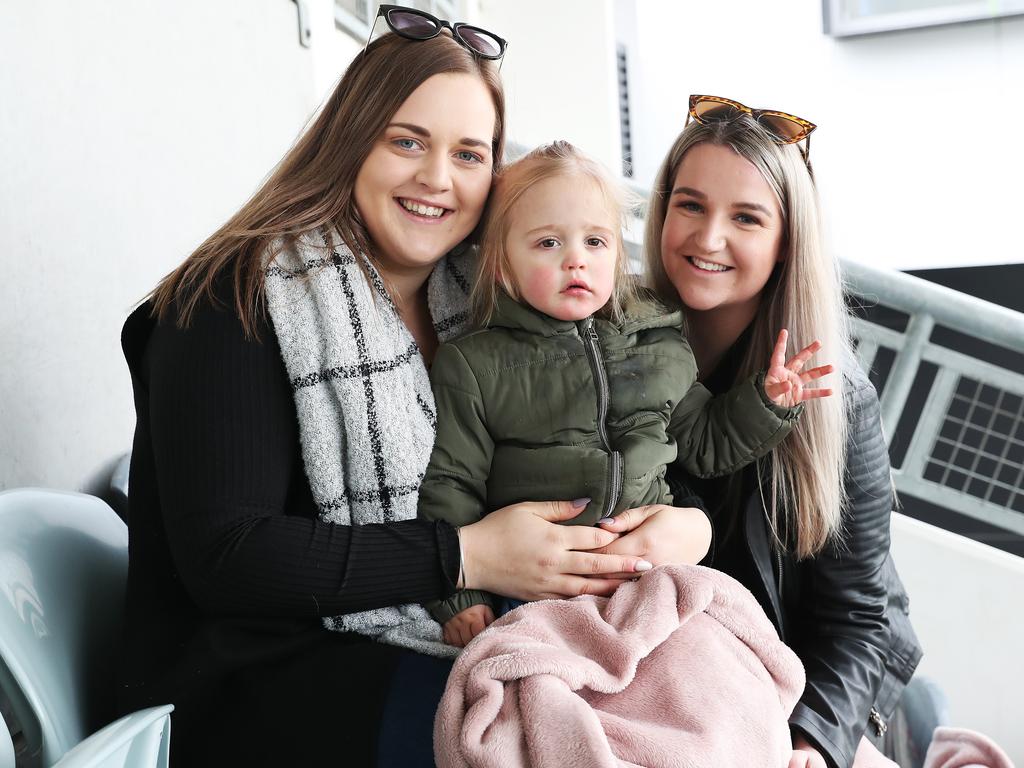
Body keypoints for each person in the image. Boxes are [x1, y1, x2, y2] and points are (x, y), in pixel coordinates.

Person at [116, 15, 661, 767]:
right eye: (407, 140)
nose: (438, 178)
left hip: (450, 627)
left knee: (669, 703)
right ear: (350, 140)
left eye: (469, 154)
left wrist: (673, 525)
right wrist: (465, 556)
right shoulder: (228, 300)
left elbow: (595, 434)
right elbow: (229, 557)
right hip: (246, 684)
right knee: (551, 746)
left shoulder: (482, 307)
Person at [416, 141, 834, 649]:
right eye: (548, 244)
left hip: (648, 577)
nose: (576, 261)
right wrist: (460, 597)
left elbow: (702, 440)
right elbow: (452, 483)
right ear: (504, 266)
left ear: (617, 254)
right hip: (537, 585)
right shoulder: (475, 364)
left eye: (595, 242)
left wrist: (765, 404)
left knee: (721, 671)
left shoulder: (658, 341)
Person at [640, 95, 923, 768]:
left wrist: (815, 741)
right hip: (676, 675)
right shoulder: (619, 342)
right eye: (691, 205)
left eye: (745, 217)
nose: (708, 239)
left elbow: (857, 619)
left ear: (786, 240)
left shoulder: (836, 395)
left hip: (808, 682)